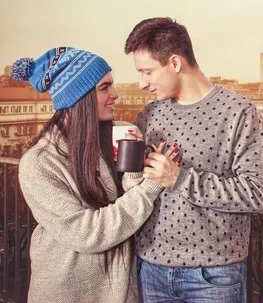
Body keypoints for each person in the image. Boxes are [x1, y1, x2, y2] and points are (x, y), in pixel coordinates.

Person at [124, 17, 263, 303]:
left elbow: (259, 194)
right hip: (150, 268)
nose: (142, 83)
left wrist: (179, 178)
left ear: (175, 63)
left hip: (213, 276)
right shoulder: (149, 114)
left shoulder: (238, 112)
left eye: (147, 72)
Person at [11, 47, 176, 303]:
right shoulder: (40, 163)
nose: (115, 95)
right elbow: (87, 233)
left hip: (121, 291)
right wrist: (150, 186)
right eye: (104, 88)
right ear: (79, 97)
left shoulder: (119, 135)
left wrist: (136, 167)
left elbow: (130, 196)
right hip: (68, 294)